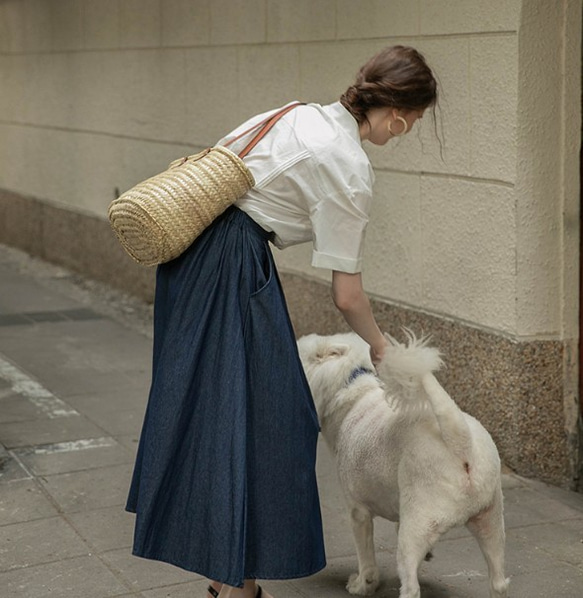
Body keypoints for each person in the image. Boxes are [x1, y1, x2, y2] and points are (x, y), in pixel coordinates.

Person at [125, 45, 438, 598]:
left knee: (223, 411)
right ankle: (234, 581)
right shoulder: (349, 167)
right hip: (231, 264)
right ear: (396, 113)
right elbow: (347, 295)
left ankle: (233, 581)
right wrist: (382, 347)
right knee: (270, 420)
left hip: (193, 256)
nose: (405, 131)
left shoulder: (300, 114)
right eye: (411, 122)